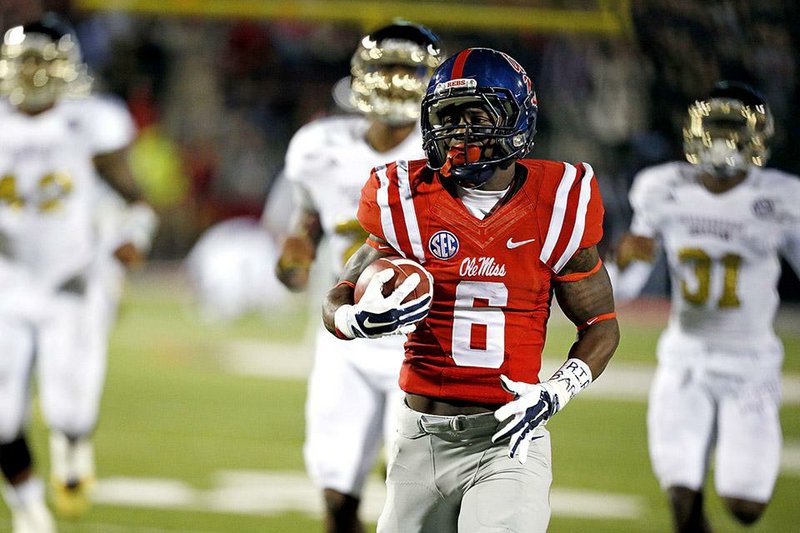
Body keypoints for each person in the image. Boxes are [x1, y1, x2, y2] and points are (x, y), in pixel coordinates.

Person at [321, 47, 620, 533]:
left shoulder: (557, 201)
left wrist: (557, 392)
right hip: (420, 440)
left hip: (507, 439)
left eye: (476, 115)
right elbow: (339, 294)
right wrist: (351, 319)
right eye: (449, 117)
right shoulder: (403, 198)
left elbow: (601, 325)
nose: (460, 131)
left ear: (516, 116)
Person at [274, 21, 443, 533]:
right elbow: (305, 231)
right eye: (385, 68)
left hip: (424, 341)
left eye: (407, 70)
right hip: (345, 336)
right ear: (361, 75)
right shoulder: (317, 147)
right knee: (335, 484)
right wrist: (295, 257)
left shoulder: (448, 156)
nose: (394, 81)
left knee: (418, 500)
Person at [608, 81, 800, 532]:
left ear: (756, 138)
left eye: (732, 131)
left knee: (745, 505)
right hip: (685, 356)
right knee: (681, 491)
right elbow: (625, 287)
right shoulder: (662, 187)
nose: (720, 143)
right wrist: (621, 260)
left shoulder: (782, 196)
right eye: (713, 130)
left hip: (750, 362)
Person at [0, 14, 157, 532]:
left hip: (72, 281)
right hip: (8, 283)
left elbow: (135, 199)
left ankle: (73, 443)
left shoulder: (90, 121)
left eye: (43, 63)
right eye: (24, 62)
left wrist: (132, 238)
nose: (33, 74)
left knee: (69, 411)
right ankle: (28, 512)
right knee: (1, 418)